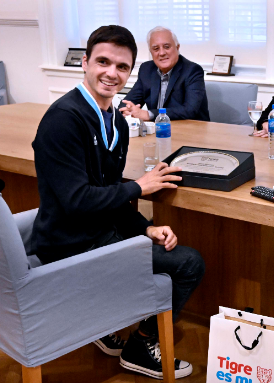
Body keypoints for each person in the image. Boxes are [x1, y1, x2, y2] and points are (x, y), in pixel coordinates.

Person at [32, 25, 205, 380]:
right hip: (70, 246)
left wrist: (147, 227)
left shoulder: (117, 123)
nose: (112, 73)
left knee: (167, 247)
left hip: (99, 235)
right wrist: (139, 188)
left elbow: (108, 194)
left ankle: (104, 322)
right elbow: (77, 200)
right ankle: (142, 346)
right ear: (85, 62)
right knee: (189, 264)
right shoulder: (63, 119)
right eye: (103, 62)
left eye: (122, 67)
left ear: (130, 72)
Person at [120, 26, 210, 121]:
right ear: (151, 52)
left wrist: (149, 114)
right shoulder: (146, 69)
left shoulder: (192, 70)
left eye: (167, 47)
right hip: (158, 130)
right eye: (156, 48)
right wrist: (127, 110)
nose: (162, 53)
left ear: (177, 47)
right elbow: (128, 101)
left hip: (192, 130)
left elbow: (190, 110)